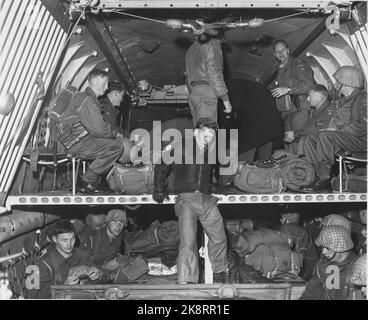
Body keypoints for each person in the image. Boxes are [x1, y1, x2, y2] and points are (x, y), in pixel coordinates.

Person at [153, 118, 229, 284]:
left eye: (211, 135)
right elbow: (161, 164)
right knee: (188, 242)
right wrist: (159, 188)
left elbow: (206, 176)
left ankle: (220, 273)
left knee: (220, 237)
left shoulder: (212, 152)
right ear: (195, 133)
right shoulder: (180, 145)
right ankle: (186, 281)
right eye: (205, 133)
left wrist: (214, 187)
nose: (208, 137)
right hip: (186, 200)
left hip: (206, 201)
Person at [58, 69, 136, 194]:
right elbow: (99, 129)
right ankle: (86, 181)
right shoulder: (87, 100)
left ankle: (93, 181)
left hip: (74, 140)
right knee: (116, 147)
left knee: (111, 144)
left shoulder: (87, 98)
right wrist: (116, 134)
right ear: (94, 82)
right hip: (73, 143)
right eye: (104, 83)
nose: (106, 88)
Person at [300, 66, 366, 192]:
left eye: (338, 82)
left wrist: (337, 129)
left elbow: (364, 124)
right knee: (310, 139)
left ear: (346, 84)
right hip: (345, 138)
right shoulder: (343, 101)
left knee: (326, 136)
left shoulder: (363, 99)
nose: (335, 85)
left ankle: (323, 179)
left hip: (361, 140)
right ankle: (313, 176)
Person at [27, 220, 100, 299]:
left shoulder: (82, 255)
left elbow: (97, 271)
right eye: (64, 240)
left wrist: (97, 274)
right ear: (55, 239)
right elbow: (34, 296)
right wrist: (63, 287)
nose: (69, 244)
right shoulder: (42, 265)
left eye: (72, 239)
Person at [185, 31, 232, 125]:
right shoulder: (212, 44)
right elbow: (213, 72)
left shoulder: (191, 49)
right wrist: (225, 98)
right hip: (206, 93)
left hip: (194, 94)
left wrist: (193, 92)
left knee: (200, 132)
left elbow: (188, 76)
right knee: (207, 132)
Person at [301, 225, 358, 300]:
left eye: (328, 248)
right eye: (322, 247)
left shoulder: (360, 266)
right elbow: (311, 295)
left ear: (341, 246)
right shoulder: (323, 266)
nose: (323, 252)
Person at [269, 39, 314, 123]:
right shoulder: (280, 69)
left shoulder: (297, 63)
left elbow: (309, 85)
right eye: (278, 51)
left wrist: (288, 90)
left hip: (300, 111)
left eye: (283, 50)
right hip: (286, 114)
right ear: (275, 55)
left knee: (300, 135)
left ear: (288, 50)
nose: (281, 53)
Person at [284, 85, 335, 154]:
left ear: (319, 98)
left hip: (321, 147)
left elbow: (316, 131)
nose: (307, 99)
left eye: (310, 96)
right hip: (312, 143)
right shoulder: (316, 111)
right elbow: (308, 129)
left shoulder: (329, 111)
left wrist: (295, 135)